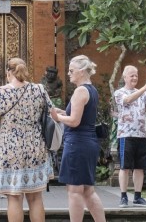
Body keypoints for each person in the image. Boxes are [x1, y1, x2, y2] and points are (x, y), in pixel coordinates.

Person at [0, 58, 53, 222]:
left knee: (14, 198)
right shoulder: (39, 89)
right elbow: (52, 112)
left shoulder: (2, 92)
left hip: (9, 149)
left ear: (8, 73)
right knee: (35, 197)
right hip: (34, 147)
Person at [50, 55, 106, 222]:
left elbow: (74, 121)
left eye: (71, 70)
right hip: (88, 142)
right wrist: (62, 113)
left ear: (81, 72)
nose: (68, 74)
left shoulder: (80, 91)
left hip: (77, 144)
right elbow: (79, 117)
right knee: (88, 190)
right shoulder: (92, 90)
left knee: (74, 191)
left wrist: (57, 117)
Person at [113, 66, 146, 207]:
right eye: (132, 75)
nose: (135, 78)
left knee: (140, 167)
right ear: (125, 77)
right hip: (126, 135)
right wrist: (144, 88)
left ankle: (138, 197)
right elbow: (127, 100)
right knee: (125, 167)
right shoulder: (119, 93)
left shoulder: (142, 93)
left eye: (136, 75)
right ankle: (123, 197)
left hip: (141, 135)